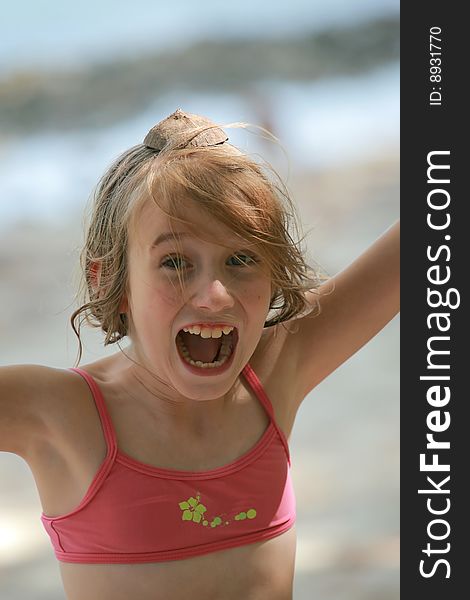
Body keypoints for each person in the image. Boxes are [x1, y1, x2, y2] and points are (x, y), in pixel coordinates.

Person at [0, 109, 400, 600]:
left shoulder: (275, 373)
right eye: (175, 262)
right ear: (110, 281)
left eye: (241, 259)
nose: (214, 294)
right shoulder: (62, 415)